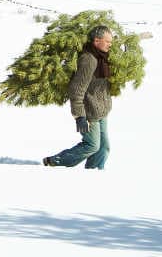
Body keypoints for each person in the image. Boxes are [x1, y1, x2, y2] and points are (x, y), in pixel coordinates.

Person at [43, 25, 113, 169]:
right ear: (96, 41)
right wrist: (79, 116)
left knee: (103, 148)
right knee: (92, 145)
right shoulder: (89, 60)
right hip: (89, 112)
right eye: (107, 41)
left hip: (102, 111)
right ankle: (55, 161)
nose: (110, 44)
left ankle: (94, 175)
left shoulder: (102, 57)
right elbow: (76, 89)